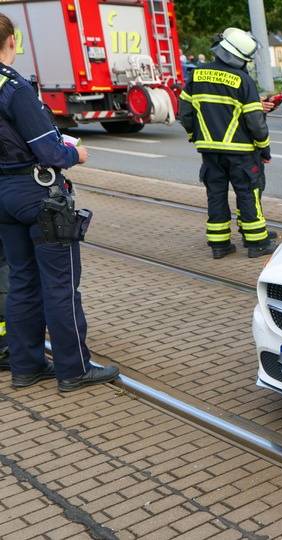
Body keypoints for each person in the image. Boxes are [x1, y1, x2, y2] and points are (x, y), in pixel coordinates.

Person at [0, 13, 119, 391]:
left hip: (3, 195)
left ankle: (26, 366)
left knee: (21, 282)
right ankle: (73, 368)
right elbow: (48, 150)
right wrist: (75, 155)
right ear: (12, 41)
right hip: (36, 195)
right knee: (60, 284)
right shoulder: (14, 88)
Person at [179, 28, 278, 259]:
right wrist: (264, 147)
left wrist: (196, 136)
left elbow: (184, 112)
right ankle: (257, 242)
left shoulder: (197, 74)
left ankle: (219, 244)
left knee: (216, 194)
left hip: (209, 151)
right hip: (241, 152)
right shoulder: (243, 81)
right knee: (247, 194)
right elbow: (255, 122)